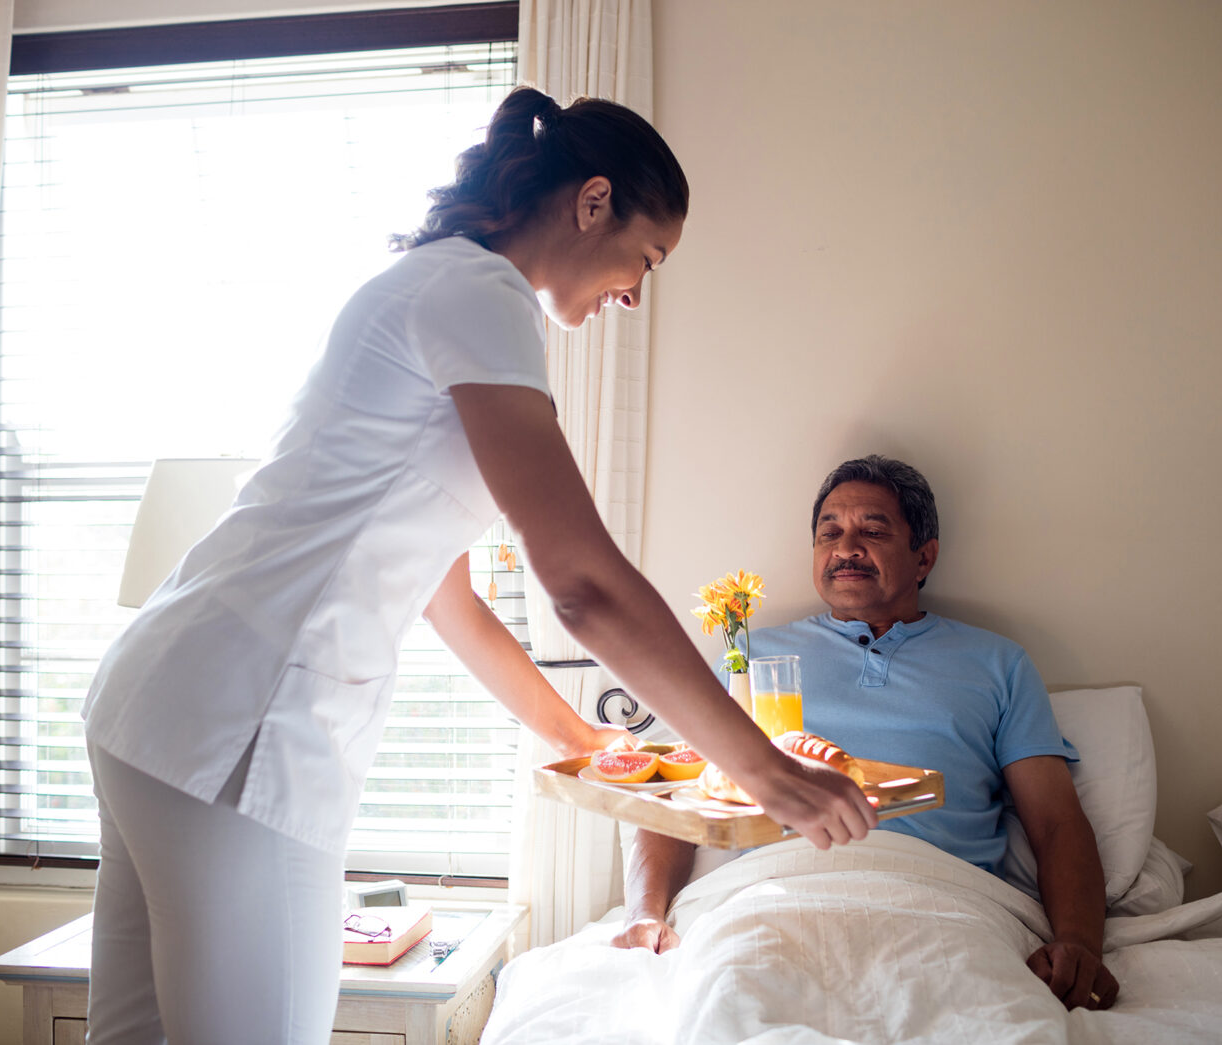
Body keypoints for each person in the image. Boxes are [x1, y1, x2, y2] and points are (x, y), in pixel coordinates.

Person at [78, 87, 875, 1045]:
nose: (632, 292)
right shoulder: (481, 293)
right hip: (238, 727)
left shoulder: (434, 286)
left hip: (159, 702)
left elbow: (443, 590)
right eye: (646, 259)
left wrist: (579, 736)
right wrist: (762, 769)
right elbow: (580, 582)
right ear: (591, 203)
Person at [612, 455, 1120, 1012]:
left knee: (987, 1021)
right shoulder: (748, 657)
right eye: (829, 532)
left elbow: (1055, 822)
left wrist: (1077, 943)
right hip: (772, 892)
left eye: (872, 531)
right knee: (731, 1009)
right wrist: (645, 913)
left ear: (924, 557)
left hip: (943, 899)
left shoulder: (999, 664)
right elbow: (680, 794)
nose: (846, 547)